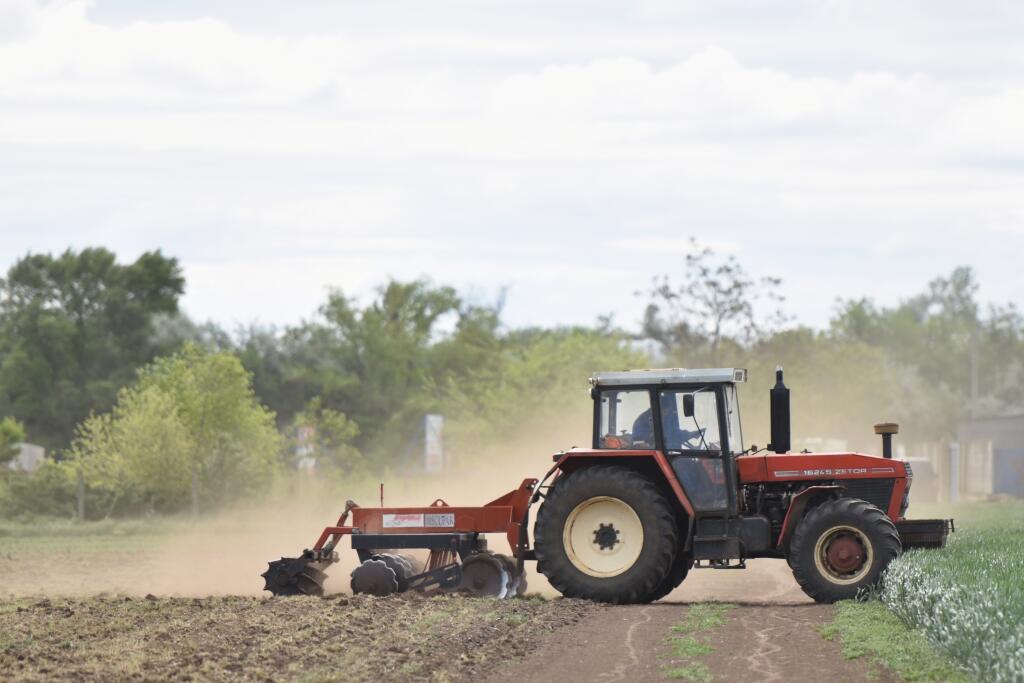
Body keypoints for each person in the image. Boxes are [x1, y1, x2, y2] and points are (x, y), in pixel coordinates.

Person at [632, 393, 702, 450]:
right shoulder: (644, 421)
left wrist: (690, 434)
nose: (665, 414)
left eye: (667, 412)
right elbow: (639, 444)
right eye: (665, 411)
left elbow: (673, 433)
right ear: (659, 408)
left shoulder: (660, 420)